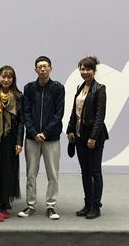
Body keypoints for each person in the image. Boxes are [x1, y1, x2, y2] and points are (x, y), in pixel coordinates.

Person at [19, 56, 65, 220]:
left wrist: (45, 133)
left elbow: (58, 114)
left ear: (51, 69)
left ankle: (51, 206)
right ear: (35, 70)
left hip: (51, 138)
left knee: (52, 174)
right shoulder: (29, 88)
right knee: (31, 174)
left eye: (45, 66)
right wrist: (33, 133)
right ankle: (30, 205)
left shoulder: (58, 88)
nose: (43, 69)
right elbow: (26, 112)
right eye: (39, 66)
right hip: (32, 139)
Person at [67, 56, 109, 219]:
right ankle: (87, 203)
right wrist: (70, 129)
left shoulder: (100, 89)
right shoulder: (80, 87)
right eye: (82, 69)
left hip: (94, 137)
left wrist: (93, 137)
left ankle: (96, 206)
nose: (85, 72)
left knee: (95, 172)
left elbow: (100, 116)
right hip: (79, 136)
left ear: (94, 70)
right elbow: (74, 111)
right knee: (85, 171)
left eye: (88, 69)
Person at [0, 66, 24, 222]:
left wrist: (19, 141)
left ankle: (5, 204)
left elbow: (21, 122)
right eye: (3, 77)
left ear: (13, 79)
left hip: (11, 140)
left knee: (8, 172)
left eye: (9, 77)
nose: (6, 80)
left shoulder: (18, 96)